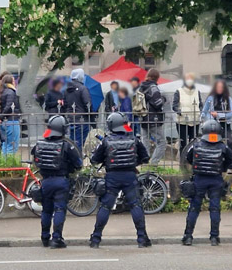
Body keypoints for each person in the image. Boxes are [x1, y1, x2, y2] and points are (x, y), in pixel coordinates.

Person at [89, 112, 152, 248]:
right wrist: (134, 162)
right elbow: (145, 157)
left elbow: (94, 160)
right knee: (135, 205)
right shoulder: (134, 140)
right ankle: (142, 238)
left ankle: (96, 238)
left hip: (112, 177)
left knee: (105, 207)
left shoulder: (106, 141)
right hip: (130, 175)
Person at [181, 119, 232, 246]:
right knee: (215, 209)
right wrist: (223, 167)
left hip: (199, 179)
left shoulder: (196, 145)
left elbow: (188, 158)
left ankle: (188, 236)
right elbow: (231, 162)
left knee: (194, 208)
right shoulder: (223, 147)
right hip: (216, 179)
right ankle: (214, 238)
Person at [32, 115, 83, 248]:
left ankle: (44, 237)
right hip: (61, 181)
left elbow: (35, 161)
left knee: (46, 211)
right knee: (60, 209)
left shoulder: (39, 144)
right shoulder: (66, 146)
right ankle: (57, 239)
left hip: (46, 182)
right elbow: (78, 164)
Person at [138, 69, 167, 165]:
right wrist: (163, 99)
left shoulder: (141, 87)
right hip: (153, 119)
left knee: (145, 141)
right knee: (162, 142)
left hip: (143, 118)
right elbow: (157, 103)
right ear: (157, 77)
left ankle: (144, 162)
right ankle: (154, 163)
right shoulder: (153, 88)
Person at [173, 73, 203, 154]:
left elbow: (200, 104)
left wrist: (199, 111)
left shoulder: (197, 92)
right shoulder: (179, 91)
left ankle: (192, 159)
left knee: (193, 142)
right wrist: (180, 112)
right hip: (182, 121)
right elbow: (174, 106)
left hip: (195, 120)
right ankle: (183, 161)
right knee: (183, 143)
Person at [201, 79, 232, 148]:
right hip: (213, 125)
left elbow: (231, 113)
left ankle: (230, 158)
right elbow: (204, 111)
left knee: (229, 141)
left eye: (221, 87)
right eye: (218, 87)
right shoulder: (210, 98)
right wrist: (204, 119)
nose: (219, 89)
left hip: (225, 124)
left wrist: (218, 115)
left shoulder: (228, 98)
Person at [64, 69, 92, 151]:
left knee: (72, 142)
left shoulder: (66, 90)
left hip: (70, 119)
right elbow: (88, 104)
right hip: (81, 120)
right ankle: (79, 160)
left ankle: (73, 159)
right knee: (80, 142)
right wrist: (91, 114)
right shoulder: (83, 89)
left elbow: (65, 104)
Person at [0, 74, 21, 155]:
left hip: (4, 122)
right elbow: (9, 106)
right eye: (13, 81)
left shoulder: (1, 92)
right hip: (12, 121)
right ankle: (9, 166)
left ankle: (2, 165)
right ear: (11, 82)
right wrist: (0, 117)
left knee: (5, 145)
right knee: (12, 146)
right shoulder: (11, 92)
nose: (15, 82)